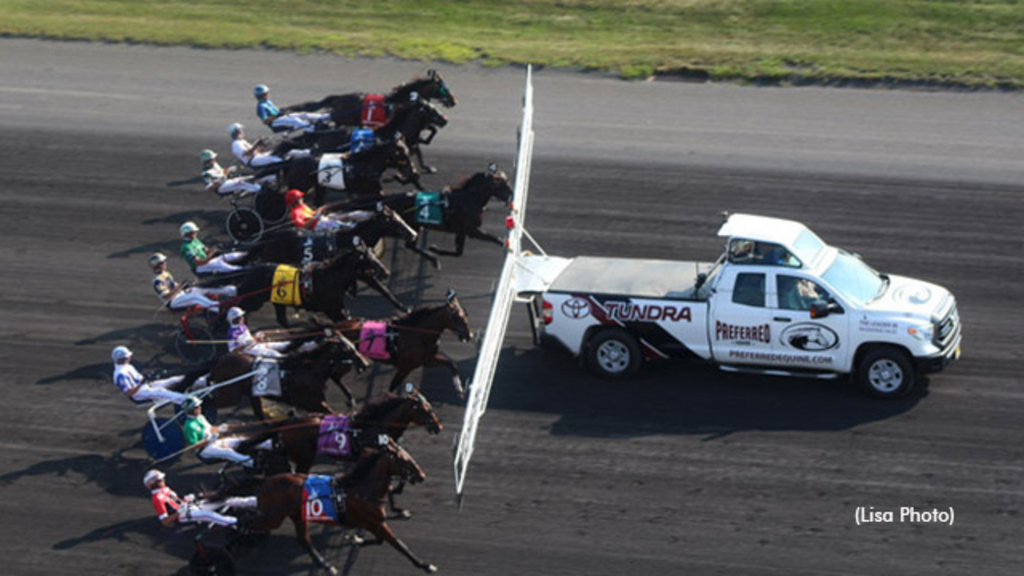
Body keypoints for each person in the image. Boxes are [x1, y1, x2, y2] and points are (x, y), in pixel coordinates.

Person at [144, 469, 257, 527]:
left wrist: (187, 499)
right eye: (160, 480)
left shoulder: (166, 489)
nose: (163, 480)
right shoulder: (157, 499)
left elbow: (178, 502)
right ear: (153, 483)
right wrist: (180, 512)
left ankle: (252, 502)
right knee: (208, 515)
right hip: (183, 516)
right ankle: (237, 522)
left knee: (221, 500)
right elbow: (165, 521)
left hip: (189, 507)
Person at [181, 396, 271, 468]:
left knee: (239, 440)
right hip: (205, 450)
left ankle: (269, 444)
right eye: (197, 407)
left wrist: (220, 428)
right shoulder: (189, 426)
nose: (200, 408)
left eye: (199, 406)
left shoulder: (201, 417)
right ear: (190, 410)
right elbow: (194, 446)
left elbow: (211, 429)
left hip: (215, 441)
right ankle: (251, 463)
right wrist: (209, 440)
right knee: (227, 452)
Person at [150, 253, 236, 313]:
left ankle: (230, 291)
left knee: (200, 289)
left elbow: (174, 285)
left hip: (179, 295)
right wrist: (180, 286)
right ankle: (218, 308)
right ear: (157, 265)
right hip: (172, 302)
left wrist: (184, 284)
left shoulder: (165, 273)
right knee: (194, 297)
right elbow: (167, 296)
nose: (165, 263)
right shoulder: (157, 281)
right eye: (162, 262)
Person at [111, 346, 191, 405]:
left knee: (173, 380)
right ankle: (188, 400)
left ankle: (199, 380)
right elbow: (130, 392)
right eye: (127, 357)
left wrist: (148, 378)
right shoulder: (120, 375)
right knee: (161, 392)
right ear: (122, 359)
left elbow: (140, 379)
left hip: (145, 386)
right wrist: (142, 382)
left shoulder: (127, 366)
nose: (129, 358)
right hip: (139, 394)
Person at [284, 189, 373, 232]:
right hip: (317, 227)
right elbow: (302, 227)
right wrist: (315, 217)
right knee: (340, 224)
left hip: (321, 220)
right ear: (295, 201)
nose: (302, 198)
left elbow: (313, 214)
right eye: (300, 197)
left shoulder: (303, 206)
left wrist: (322, 209)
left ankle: (369, 215)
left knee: (345, 215)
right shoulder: (295, 213)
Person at [253, 84, 330, 133]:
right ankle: (312, 128)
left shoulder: (268, 102)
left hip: (281, 117)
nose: (267, 95)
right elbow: (265, 121)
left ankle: (324, 117)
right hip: (275, 123)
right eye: (265, 94)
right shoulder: (261, 106)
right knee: (294, 120)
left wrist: (281, 112)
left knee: (301, 114)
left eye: (267, 93)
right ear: (260, 96)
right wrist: (277, 116)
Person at [179, 221, 248, 275]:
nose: (195, 233)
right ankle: (243, 269)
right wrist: (212, 253)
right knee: (220, 264)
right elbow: (199, 262)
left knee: (228, 256)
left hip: (207, 261)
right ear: (186, 233)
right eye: (193, 232)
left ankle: (247, 254)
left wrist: (215, 248)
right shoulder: (186, 247)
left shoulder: (195, 240)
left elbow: (206, 250)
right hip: (200, 267)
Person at [228, 123, 309, 168]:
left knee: (284, 151)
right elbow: (248, 153)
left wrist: (261, 144)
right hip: (253, 161)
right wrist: (257, 144)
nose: (242, 132)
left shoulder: (242, 141)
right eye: (240, 130)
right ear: (236, 132)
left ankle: (307, 153)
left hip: (258, 157)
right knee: (275, 158)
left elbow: (254, 151)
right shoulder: (236, 144)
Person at [226, 307, 292, 358]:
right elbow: (232, 351)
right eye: (241, 317)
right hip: (249, 351)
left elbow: (251, 339)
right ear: (237, 319)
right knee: (273, 353)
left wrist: (256, 336)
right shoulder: (232, 334)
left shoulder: (243, 326)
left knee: (284, 344)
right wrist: (245, 345)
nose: (243, 318)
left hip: (256, 345)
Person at [199, 149, 264, 196]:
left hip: (226, 181)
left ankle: (260, 188)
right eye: (212, 159)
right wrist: (224, 177)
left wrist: (230, 169)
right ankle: (259, 190)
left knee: (248, 177)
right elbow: (211, 188)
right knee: (239, 182)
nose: (214, 160)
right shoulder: (206, 173)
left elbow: (222, 172)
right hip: (221, 188)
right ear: (207, 161)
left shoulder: (214, 164)